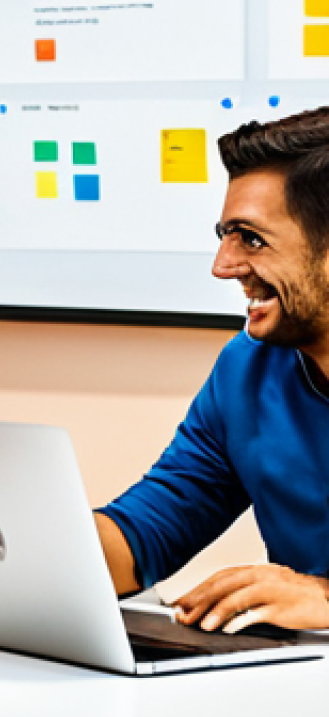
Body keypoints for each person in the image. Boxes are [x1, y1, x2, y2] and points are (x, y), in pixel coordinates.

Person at [95, 106, 329, 634]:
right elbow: (151, 529)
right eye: (224, 234)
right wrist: (11, 544)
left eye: (250, 238)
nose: (222, 266)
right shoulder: (247, 368)